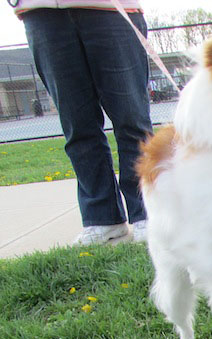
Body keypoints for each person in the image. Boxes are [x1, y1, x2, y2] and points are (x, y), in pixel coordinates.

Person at [10, 0, 152, 244]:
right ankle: (102, 218)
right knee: (78, 127)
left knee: (133, 121)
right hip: (41, 13)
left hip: (109, 8)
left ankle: (147, 212)